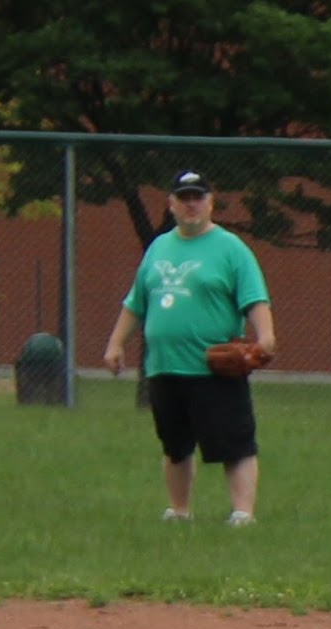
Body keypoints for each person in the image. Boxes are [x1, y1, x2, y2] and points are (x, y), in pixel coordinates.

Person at [102, 169, 277, 527]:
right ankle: (179, 511)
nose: (192, 204)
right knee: (175, 443)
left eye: (198, 197)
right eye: (184, 198)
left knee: (234, 440)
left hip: (213, 366)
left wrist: (266, 336)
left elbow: (254, 298)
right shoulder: (159, 247)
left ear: (211, 203)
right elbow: (136, 302)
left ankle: (243, 513)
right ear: (172, 205)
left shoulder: (231, 248)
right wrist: (116, 343)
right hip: (165, 365)